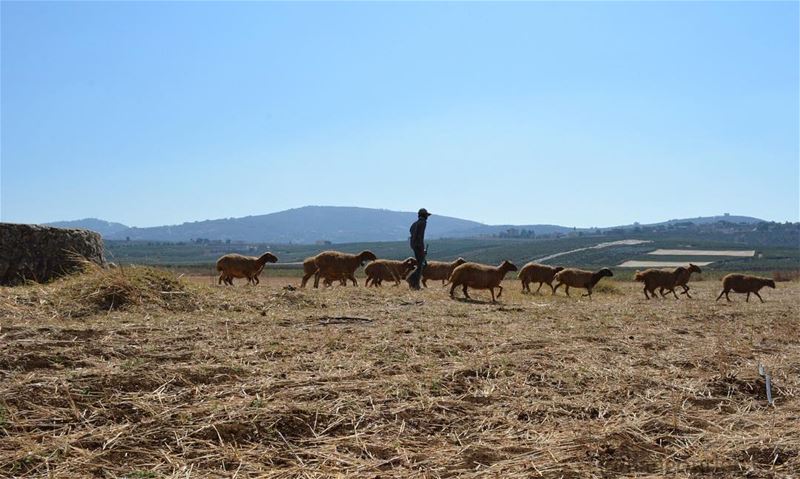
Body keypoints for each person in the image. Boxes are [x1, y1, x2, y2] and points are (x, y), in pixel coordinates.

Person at [406, 208, 431, 289]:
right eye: (426, 215)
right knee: (422, 265)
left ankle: (414, 282)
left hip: (414, 245)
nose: (427, 217)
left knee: (421, 264)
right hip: (418, 246)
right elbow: (420, 237)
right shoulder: (423, 223)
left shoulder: (414, 223)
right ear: (424, 215)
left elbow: (412, 232)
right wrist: (422, 249)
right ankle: (413, 281)